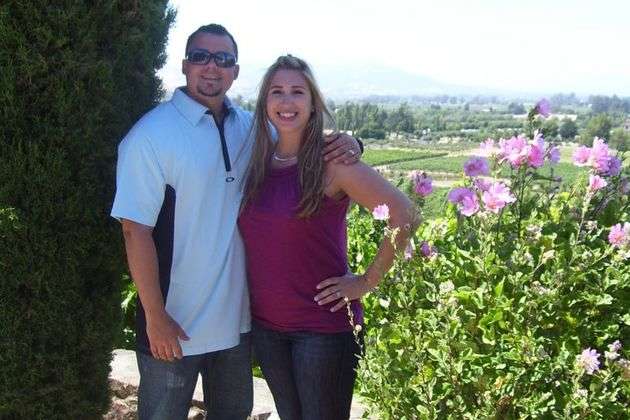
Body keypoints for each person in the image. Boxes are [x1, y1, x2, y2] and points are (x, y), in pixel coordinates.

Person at [111, 25, 361, 420]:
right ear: (184, 65)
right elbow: (134, 230)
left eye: (223, 59)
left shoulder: (251, 128)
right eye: (201, 56)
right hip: (173, 327)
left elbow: (300, 132)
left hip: (237, 327)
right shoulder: (150, 137)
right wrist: (155, 317)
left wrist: (351, 143)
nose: (211, 66)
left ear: (236, 71)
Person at [238, 55, 417, 420]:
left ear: (313, 103)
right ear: (264, 102)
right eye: (277, 91)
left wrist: (367, 281)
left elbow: (406, 214)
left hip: (322, 328)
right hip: (267, 327)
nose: (287, 101)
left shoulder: (333, 162)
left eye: (297, 92)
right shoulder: (257, 160)